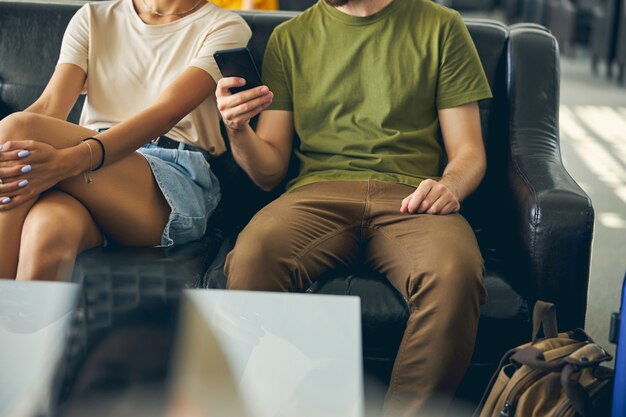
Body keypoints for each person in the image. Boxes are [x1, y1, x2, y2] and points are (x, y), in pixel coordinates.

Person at [215, 0, 492, 415]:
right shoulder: (290, 39)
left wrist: (449, 186)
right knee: (253, 255)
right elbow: (270, 170)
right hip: (315, 194)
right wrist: (237, 130)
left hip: (412, 197)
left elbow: (469, 151)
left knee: (455, 274)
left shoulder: (441, 26)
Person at [0, 0, 251, 280]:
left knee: (16, 128)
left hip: (171, 175)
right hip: (90, 177)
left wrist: (72, 160)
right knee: (48, 230)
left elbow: (165, 113)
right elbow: (49, 108)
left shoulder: (226, 27)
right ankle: (17, 323)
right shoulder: (93, 17)